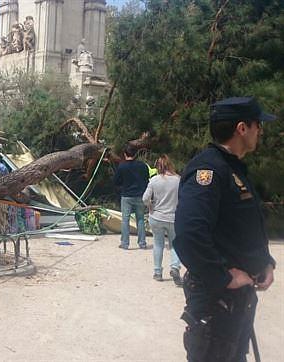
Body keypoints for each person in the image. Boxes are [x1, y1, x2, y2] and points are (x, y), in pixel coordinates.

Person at [174, 97, 276, 361]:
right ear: (242, 128)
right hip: (216, 300)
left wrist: (265, 262)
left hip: (237, 301)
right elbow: (189, 235)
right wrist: (224, 276)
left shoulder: (234, 169)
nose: (261, 131)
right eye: (258, 125)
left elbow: (244, 227)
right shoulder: (209, 169)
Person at [142, 154, 182, 285]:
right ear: (170, 165)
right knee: (175, 244)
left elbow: (145, 199)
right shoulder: (178, 180)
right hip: (174, 217)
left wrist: (150, 206)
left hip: (157, 216)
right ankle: (175, 267)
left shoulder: (154, 180)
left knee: (158, 244)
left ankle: (158, 272)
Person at [114, 144, 149, 249]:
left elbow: (116, 181)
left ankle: (125, 243)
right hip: (140, 195)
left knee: (125, 220)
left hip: (127, 196)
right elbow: (146, 179)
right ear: (136, 154)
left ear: (125, 154)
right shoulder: (143, 165)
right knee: (140, 219)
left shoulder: (122, 166)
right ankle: (142, 243)